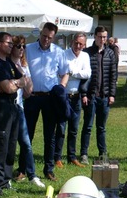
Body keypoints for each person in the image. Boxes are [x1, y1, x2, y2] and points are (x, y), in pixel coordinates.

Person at [0, 31, 28, 196]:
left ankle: (5, 180)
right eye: (8, 43)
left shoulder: (8, 62)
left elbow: (24, 80)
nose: (12, 46)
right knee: (0, 145)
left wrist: (14, 83)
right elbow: (9, 87)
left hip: (12, 106)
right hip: (0, 108)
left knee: (11, 145)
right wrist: (16, 84)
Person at [23, 22, 69, 181]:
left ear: (54, 37)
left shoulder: (58, 52)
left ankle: (48, 169)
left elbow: (65, 73)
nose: (46, 40)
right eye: (43, 36)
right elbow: (21, 69)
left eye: (49, 37)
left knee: (50, 135)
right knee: (27, 134)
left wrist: (61, 88)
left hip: (50, 98)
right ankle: (23, 168)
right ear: (40, 33)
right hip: (32, 97)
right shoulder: (28, 49)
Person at [80, 26, 117, 163]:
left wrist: (112, 94)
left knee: (101, 127)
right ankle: (84, 154)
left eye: (105, 37)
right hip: (90, 96)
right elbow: (83, 77)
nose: (102, 40)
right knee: (88, 126)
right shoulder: (87, 53)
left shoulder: (110, 53)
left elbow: (113, 75)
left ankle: (102, 153)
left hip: (105, 96)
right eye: (100, 37)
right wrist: (84, 94)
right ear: (95, 37)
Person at [10, 37, 42, 188]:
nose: (21, 49)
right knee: (9, 144)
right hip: (8, 108)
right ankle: (6, 175)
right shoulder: (7, 64)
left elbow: (28, 91)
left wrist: (26, 83)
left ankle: (32, 175)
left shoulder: (24, 65)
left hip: (20, 107)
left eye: (23, 46)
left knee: (26, 143)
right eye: (18, 46)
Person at [59, 33, 90, 165]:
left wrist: (72, 72)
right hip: (64, 96)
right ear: (72, 42)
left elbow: (87, 74)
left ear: (84, 45)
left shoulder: (85, 56)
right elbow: (61, 73)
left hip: (77, 96)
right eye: (76, 43)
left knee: (74, 129)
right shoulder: (64, 54)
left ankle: (72, 157)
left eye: (81, 44)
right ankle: (58, 158)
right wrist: (76, 73)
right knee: (61, 128)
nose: (78, 46)